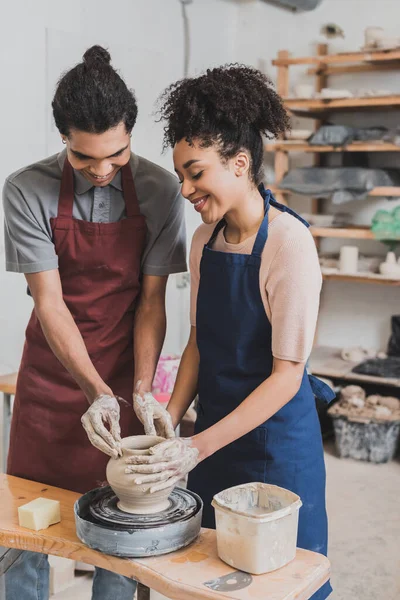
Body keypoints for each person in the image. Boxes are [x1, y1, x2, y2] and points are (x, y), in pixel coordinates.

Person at [126, 65, 335, 600]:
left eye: (196, 173)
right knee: (208, 579)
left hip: (275, 445)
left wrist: (195, 447)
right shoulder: (204, 241)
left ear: (240, 163)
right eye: (181, 176)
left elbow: (287, 377)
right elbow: (198, 341)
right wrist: (168, 427)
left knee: (276, 583)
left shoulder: (288, 245)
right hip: (213, 439)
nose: (186, 189)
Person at [2, 45, 185, 600]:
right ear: (63, 138)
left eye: (118, 154)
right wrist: (93, 391)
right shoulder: (25, 190)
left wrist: (137, 389)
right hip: (51, 379)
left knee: (123, 528)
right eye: (85, 159)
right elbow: (50, 303)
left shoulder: (160, 189)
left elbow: (151, 303)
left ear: (130, 134)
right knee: (24, 530)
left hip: (127, 369)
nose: (104, 171)